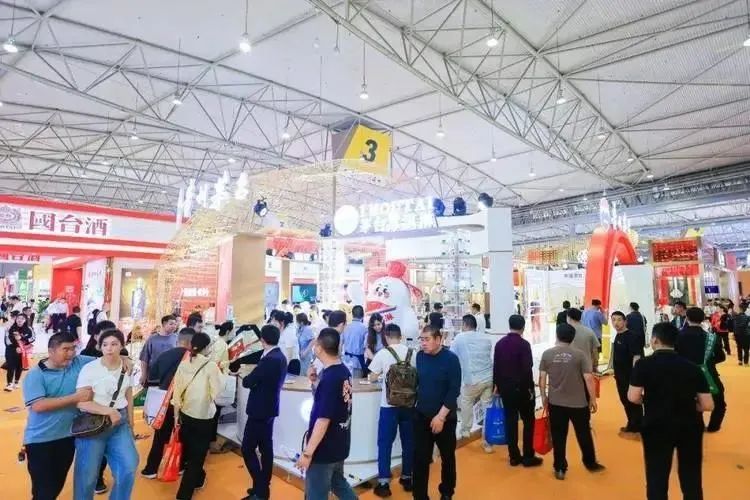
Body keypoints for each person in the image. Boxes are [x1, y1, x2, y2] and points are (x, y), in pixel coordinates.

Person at [628, 322, 714, 500]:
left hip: (656, 425)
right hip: (689, 425)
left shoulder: (643, 365)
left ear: (655, 340)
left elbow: (633, 397)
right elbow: (707, 405)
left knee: (656, 474)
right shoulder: (692, 367)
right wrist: (688, 404)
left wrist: (651, 401)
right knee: (691, 475)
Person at [22, 333, 97, 500]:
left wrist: (124, 359)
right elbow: (39, 405)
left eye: (73, 348)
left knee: (56, 485)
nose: (71, 353)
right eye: (65, 349)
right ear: (51, 351)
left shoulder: (78, 362)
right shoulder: (35, 375)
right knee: (44, 491)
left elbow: (104, 360)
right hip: (40, 440)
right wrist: (76, 397)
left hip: (67, 438)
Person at [73, 329, 139, 499]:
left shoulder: (127, 367)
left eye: (114, 344)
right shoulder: (90, 369)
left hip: (120, 424)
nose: (109, 348)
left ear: (122, 346)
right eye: (105, 344)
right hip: (93, 424)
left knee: (129, 466)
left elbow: (128, 396)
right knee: (87, 477)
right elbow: (80, 401)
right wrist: (108, 411)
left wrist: (131, 424)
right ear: (100, 347)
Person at [295, 328, 357, 500]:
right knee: (338, 484)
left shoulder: (330, 378)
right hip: (339, 443)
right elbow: (331, 402)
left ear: (320, 348)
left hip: (324, 449)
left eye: (316, 344)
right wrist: (315, 381)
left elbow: (323, 420)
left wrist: (307, 453)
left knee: (316, 493)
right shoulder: (342, 371)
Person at [539, 324, 604, 481]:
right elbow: (588, 378)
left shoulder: (547, 354)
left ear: (557, 335)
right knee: (584, 433)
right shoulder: (579, 355)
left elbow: (542, 379)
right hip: (578, 403)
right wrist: (593, 399)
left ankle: (560, 468)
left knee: (558, 436)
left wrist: (543, 397)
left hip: (556, 403)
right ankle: (590, 463)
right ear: (572, 337)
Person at [172, 332, 223, 500]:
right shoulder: (211, 366)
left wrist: (176, 416)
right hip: (204, 417)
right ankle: (183, 495)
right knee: (197, 457)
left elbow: (176, 392)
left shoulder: (183, 364)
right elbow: (216, 392)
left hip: (185, 414)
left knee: (191, 452)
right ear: (206, 347)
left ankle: (199, 479)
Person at [413, 325, 461, 500]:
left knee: (447, 457)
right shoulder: (420, 357)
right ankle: (420, 495)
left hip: (445, 418)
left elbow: (454, 390)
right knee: (420, 459)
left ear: (438, 339)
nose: (423, 343)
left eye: (427, 339)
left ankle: (447, 492)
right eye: (422, 339)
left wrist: (441, 417)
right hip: (421, 416)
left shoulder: (451, 359)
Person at [367, 323, 416, 497]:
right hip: (409, 405)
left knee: (385, 443)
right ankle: (407, 477)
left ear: (386, 337)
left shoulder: (383, 353)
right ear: (400, 336)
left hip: (389, 406)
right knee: (408, 442)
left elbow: (372, 377)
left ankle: (384, 483)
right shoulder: (413, 353)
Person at [140, 327, 195, 478]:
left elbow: (152, 378)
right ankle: (180, 466)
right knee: (183, 435)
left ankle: (151, 469)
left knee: (160, 436)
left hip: (164, 401)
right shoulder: (192, 358)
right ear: (191, 343)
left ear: (179, 340)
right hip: (185, 402)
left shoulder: (164, 356)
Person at [241, 325, 287, 500]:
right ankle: (261, 487)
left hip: (259, 410)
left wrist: (247, 376)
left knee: (247, 448)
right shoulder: (280, 356)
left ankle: (261, 488)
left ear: (262, 339)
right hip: (270, 408)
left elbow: (249, 381)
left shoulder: (269, 359)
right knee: (266, 448)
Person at [494, 314, 542, 467]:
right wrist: (530, 389)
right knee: (528, 421)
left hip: (506, 389)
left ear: (509, 325)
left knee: (510, 420)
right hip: (522, 389)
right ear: (523, 327)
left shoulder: (500, 344)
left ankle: (514, 456)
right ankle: (528, 455)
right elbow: (527, 369)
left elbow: (496, 367)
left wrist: (497, 385)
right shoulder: (524, 345)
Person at [676, 307, 726, 432]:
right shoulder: (712, 338)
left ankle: (696, 425)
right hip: (708, 375)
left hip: (683, 376)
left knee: (689, 402)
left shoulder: (677, 336)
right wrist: (708, 362)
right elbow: (721, 357)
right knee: (719, 403)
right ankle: (714, 426)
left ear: (687, 318)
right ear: (703, 319)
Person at [450, 315, 493, 448]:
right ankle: (487, 439)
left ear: (464, 324)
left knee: (466, 401)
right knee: (487, 408)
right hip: (488, 378)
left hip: (472, 380)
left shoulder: (460, 337)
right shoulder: (486, 338)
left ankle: (465, 430)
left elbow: (451, 356)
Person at [611, 310, 644, 434]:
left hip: (630, 376)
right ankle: (631, 423)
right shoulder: (618, 336)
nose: (616, 323)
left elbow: (637, 356)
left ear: (625, 321)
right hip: (620, 376)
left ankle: (638, 425)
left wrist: (635, 376)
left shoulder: (631, 336)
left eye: (619, 320)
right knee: (625, 400)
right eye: (613, 320)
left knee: (633, 400)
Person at [139, 314, 179, 387]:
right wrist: (143, 375)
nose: (174, 326)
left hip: (170, 378)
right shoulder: (152, 339)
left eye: (175, 324)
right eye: (171, 324)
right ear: (164, 324)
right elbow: (144, 359)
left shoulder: (176, 338)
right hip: (153, 377)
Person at [4, 312, 34, 391]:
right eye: (18, 318)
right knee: (10, 366)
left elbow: (32, 338)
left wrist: (22, 339)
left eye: (22, 319)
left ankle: (16, 382)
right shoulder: (11, 328)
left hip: (23, 350)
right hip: (11, 349)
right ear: (16, 319)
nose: (20, 320)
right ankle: (9, 383)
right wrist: (16, 347)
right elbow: (7, 339)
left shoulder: (29, 329)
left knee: (19, 366)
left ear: (25, 320)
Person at [567, 308, 600, 372]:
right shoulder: (589, 331)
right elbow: (595, 351)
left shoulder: (565, 332)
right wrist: (595, 365)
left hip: (570, 367)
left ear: (569, 317)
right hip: (587, 367)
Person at [342, 305, 367, 378]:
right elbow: (366, 346)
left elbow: (340, 344)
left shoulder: (345, 327)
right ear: (363, 315)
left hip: (346, 360)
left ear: (352, 314)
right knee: (357, 382)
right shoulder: (365, 328)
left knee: (346, 381)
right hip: (358, 361)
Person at [272, 310, 300, 375]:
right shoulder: (280, 332)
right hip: (283, 362)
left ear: (282, 322)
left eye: (275, 322)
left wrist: (283, 368)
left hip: (291, 363)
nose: (273, 324)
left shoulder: (289, 332)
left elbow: (289, 353)